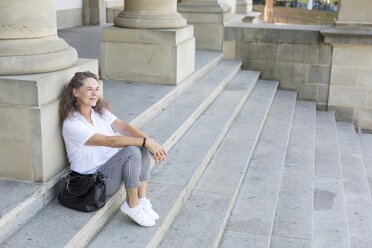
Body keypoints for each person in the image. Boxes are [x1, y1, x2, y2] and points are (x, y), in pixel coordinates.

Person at [59, 71, 167, 227]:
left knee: (141, 146)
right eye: (89, 89)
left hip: (109, 171)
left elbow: (123, 127)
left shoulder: (99, 113)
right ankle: (132, 205)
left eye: (97, 89)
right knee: (132, 150)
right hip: (93, 183)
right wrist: (145, 142)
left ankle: (141, 200)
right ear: (76, 92)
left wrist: (149, 141)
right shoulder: (72, 124)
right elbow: (110, 141)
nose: (94, 93)